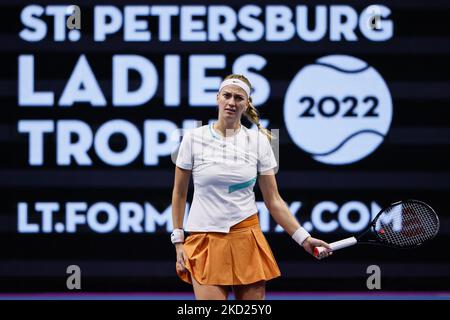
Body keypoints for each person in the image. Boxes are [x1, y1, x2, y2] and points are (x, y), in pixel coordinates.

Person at [171, 74, 332, 300]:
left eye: (239, 97)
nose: (231, 102)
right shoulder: (192, 138)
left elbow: (274, 200)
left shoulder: (260, 141)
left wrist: (304, 238)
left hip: (246, 237)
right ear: (217, 98)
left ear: (247, 104)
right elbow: (178, 194)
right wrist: (178, 241)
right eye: (226, 95)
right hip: (204, 238)